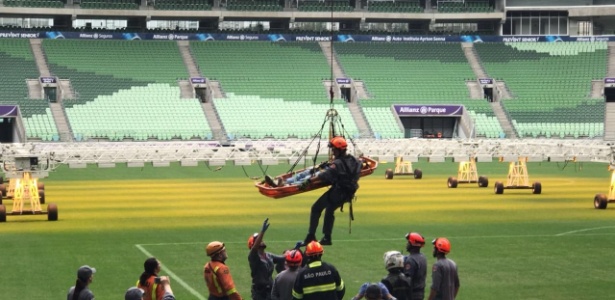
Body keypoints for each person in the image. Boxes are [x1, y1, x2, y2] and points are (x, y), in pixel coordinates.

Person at [300, 136, 362, 246]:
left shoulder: (337, 164)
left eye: (333, 150)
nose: (332, 152)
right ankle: (327, 238)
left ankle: (311, 236)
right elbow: (361, 163)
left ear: (339, 150)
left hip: (338, 193)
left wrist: (309, 181)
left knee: (316, 208)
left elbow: (324, 176)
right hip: (349, 193)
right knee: (329, 210)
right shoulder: (354, 160)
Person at [248, 218, 286, 300]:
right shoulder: (253, 257)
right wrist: (262, 232)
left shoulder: (269, 256)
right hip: (259, 293)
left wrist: (295, 250)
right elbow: (254, 249)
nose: (262, 240)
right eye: (259, 240)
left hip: (270, 291)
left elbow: (284, 258)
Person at [403, 232, 428, 300]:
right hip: (420, 293)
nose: (407, 244)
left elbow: (408, 281)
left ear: (412, 244)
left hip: (412, 294)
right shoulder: (423, 257)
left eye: (408, 242)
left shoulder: (410, 260)